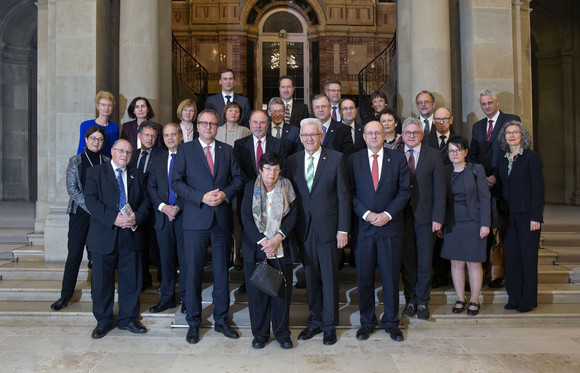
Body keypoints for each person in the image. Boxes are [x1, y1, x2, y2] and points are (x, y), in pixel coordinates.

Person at [171, 109, 244, 344]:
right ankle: (193, 321)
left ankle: (221, 319)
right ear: (198, 126)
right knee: (192, 273)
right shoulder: (185, 149)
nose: (208, 127)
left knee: (222, 273)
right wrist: (200, 197)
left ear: (217, 126)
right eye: (204, 123)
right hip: (195, 220)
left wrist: (224, 194)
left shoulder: (227, 150)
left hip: (221, 221)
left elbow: (239, 179)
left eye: (213, 124)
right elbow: (176, 182)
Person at [287, 118, 351, 346]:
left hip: (329, 230)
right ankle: (314, 321)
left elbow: (344, 196)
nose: (309, 139)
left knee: (329, 278)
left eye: (313, 135)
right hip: (304, 231)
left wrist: (343, 229)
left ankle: (329, 325)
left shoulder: (335, 158)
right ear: (300, 137)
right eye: (305, 135)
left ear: (321, 135)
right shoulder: (292, 160)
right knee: (311, 278)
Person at [348, 121, 410, 342]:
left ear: (385, 135)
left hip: (390, 228)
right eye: (369, 133)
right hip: (364, 229)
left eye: (377, 132)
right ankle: (367, 322)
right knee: (364, 278)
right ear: (363, 136)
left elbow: (404, 192)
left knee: (391, 278)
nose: (374, 136)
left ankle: (391, 322)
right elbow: (350, 193)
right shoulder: (353, 160)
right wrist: (366, 214)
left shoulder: (398, 159)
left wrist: (387, 214)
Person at [84, 139, 150, 339]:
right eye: (121, 151)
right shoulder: (96, 173)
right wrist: (113, 218)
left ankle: (128, 318)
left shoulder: (137, 175)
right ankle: (103, 321)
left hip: (130, 234)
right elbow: (91, 201)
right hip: (104, 234)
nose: (125, 155)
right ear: (112, 152)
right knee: (102, 281)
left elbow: (146, 201)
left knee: (130, 280)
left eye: (129, 152)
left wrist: (135, 217)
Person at [240, 150, 297, 349]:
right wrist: (264, 242)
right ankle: (260, 335)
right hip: (257, 249)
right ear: (260, 170)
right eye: (267, 169)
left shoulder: (287, 186)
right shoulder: (250, 188)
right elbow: (246, 217)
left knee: (281, 294)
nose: (271, 174)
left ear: (280, 170)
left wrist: (278, 237)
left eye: (275, 169)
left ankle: (282, 333)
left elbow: (293, 215)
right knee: (257, 296)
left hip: (281, 247)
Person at [51, 126, 109, 311]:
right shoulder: (76, 161)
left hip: (99, 216)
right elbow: (72, 188)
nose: (96, 142)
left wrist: (98, 210)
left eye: (100, 139)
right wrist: (91, 207)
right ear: (86, 140)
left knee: (97, 257)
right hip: (79, 214)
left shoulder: (106, 161)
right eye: (93, 138)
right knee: (74, 255)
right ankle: (65, 295)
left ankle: (97, 293)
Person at [470, 89, 521, 288]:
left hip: (506, 184)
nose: (486, 106)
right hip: (484, 187)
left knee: (507, 231)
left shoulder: (511, 120)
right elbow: (473, 154)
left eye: (489, 103)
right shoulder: (477, 126)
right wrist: (483, 177)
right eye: (483, 104)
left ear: (496, 102)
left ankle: (507, 272)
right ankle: (490, 271)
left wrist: (496, 176)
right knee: (487, 230)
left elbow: (514, 150)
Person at [400, 118, 446, 320]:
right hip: (401, 216)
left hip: (426, 216)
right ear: (402, 135)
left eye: (415, 132)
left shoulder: (434, 156)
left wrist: (438, 216)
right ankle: (410, 299)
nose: (411, 135)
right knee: (408, 261)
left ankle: (422, 302)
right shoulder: (394, 155)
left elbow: (440, 188)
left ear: (421, 134)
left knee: (425, 260)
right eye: (408, 132)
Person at [440, 136, 490, 316]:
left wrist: (485, 224)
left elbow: (485, 198)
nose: (454, 154)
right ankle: (460, 298)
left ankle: (475, 300)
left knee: (473, 262)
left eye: (458, 150)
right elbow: (440, 200)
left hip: (474, 222)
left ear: (466, 152)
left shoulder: (476, 169)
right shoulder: (445, 171)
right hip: (453, 223)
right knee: (456, 262)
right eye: (451, 150)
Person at [497, 121, 544, 313]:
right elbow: (500, 187)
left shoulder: (531, 157)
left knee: (528, 257)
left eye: (515, 132)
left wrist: (536, 216)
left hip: (527, 216)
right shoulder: (502, 159)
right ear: (504, 137)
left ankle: (528, 299)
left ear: (522, 136)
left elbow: (538, 188)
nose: (512, 135)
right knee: (512, 258)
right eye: (508, 133)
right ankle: (514, 297)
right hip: (507, 217)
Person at [147, 123, 186, 314]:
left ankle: (187, 299)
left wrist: (177, 207)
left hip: (184, 217)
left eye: (173, 134)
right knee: (165, 261)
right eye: (166, 135)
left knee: (186, 261)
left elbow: (193, 185)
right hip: (163, 218)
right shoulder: (157, 158)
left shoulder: (189, 156)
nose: (170, 138)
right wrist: (164, 208)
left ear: (180, 136)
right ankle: (167, 298)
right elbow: (151, 187)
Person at [128, 121, 164, 290]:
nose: (150, 139)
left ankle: (163, 279)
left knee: (158, 247)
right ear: (139, 135)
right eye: (147, 135)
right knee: (139, 246)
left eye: (153, 136)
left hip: (156, 208)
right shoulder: (131, 155)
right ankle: (143, 280)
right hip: (136, 209)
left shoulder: (162, 155)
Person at [77, 91, 119, 157]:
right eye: (103, 105)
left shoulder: (115, 127)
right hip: (90, 162)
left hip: (108, 163)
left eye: (109, 105)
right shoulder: (85, 125)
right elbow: (82, 147)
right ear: (97, 106)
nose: (106, 108)